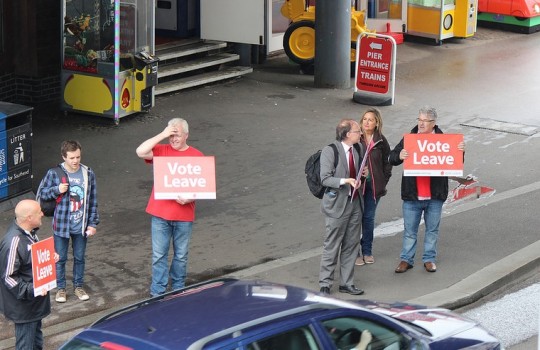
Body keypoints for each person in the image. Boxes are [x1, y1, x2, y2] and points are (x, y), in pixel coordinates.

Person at [389, 106, 465, 273]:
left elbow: (454, 163)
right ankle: (406, 260)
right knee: (410, 231)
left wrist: (461, 152)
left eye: (425, 121)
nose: (421, 124)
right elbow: (392, 158)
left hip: (434, 196)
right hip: (412, 195)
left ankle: (429, 259)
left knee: (432, 230)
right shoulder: (409, 139)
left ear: (433, 123)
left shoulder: (443, 140)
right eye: (419, 120)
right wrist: (399, 156)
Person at [136, 118, 204, 297]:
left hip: (184, 215)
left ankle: (178, 289)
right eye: (171, 135)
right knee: (159, 256)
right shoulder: (161, 150)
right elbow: (140, 151)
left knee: (181, 256)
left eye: (177, 135)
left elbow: (204, 186)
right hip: (160, 214)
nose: (173, 139)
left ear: (187, 136)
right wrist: (163, 134)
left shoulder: (197, 156)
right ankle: (158, 292)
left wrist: (191, 197)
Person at [38, 140, 99, 302]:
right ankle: (61, 289)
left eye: (78, 157)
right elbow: (41, 194)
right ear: (63, 157)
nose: (75, 161)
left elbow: (92, 200)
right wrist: (56, 190)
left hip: (81, 226)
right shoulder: (54, 173)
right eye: (71, 158)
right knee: (60, 259)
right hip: (61, 226)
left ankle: (78, 287)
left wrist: (93, 223)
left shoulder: (88, 173)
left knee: (80, 258)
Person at [0, 199, 59, 350]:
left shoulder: (29, 234)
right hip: (24, 307)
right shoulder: (13, 242)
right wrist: (33, 289)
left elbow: (31, 262)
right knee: (26, 345)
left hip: (32, 304)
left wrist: (48, 258)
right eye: (38, 212)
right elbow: (8, 277)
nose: (42, 214)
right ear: (29, 218)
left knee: (36, 343)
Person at [319, 119, 367, 296]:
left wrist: (364, 175)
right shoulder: (330, 151)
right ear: (347, 134)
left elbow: (358, 174)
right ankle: (325, 283)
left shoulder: (357, 149)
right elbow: (324, 179)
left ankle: (347, 283)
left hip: (355, 202)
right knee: (332, 244)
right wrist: (345, 181)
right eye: (357, 131)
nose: (360, 134)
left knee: (351, 244)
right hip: (338, 204)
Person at [355, 108, 392, 266]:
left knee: (368, 218)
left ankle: (367, 251)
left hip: (374, 187)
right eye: (365, 119)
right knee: (355, 219)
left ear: (377, 123)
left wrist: (382, 180)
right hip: (357, 187)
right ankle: (355, 252)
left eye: (370, 119)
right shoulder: (356, 138)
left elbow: (387, 163)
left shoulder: (381, 141)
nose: (367, 122)